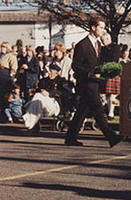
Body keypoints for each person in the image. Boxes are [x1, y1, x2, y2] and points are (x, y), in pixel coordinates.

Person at [64, 15, 123, 147]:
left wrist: (108, 44)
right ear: (93, 28)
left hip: (95, 84)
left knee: (82, 111)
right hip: (86, 83)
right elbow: (76, 66)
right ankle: (111, 136)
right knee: (98, 109)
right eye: (101, 27)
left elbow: (113, 57)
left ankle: (70, 137)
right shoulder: (82, 45)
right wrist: (90, 73)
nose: (103, 30)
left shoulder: (98, 44)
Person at [22, 63, 65, 133]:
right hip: (40, 102)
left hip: (53, 103)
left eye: (52, 71)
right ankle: (32, 124)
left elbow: (62, 92)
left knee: (36, 98)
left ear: (56, 72)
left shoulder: (61, 81)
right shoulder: (43, 80)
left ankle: (29, 122)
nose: (49, 72)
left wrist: (49, 93)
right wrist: (41, 91)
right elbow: (37, 89)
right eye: (49, 70)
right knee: (38, 97)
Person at [99, 32, 121, 121]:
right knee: (106, 95)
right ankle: (108, 112)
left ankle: (111, 113)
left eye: (103, 40)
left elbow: (114, 59)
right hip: (105, 73)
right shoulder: (103, 49)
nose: (102, 42)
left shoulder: (115, 48)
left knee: (112, 95)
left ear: (108, 39)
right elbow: (101, 60)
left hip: (113, 73)